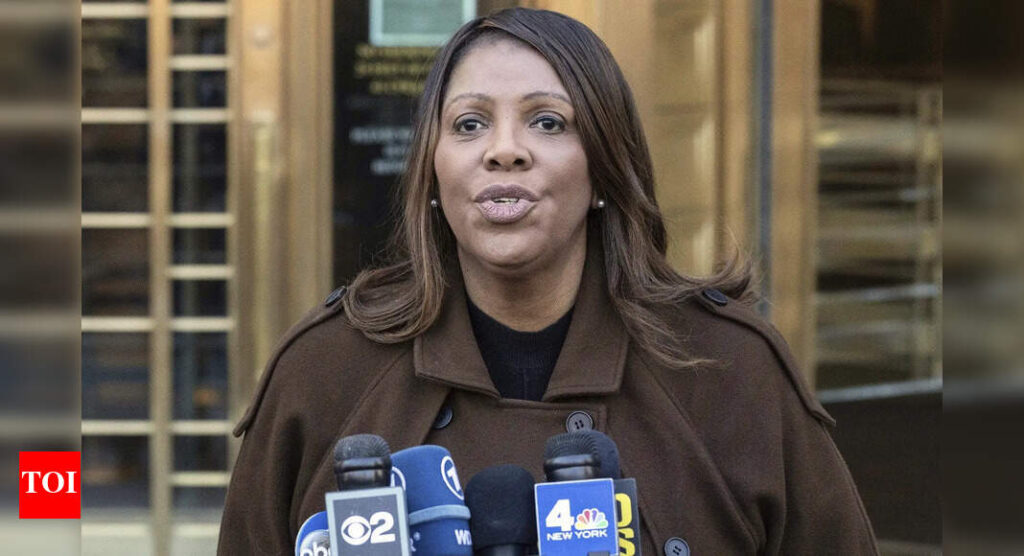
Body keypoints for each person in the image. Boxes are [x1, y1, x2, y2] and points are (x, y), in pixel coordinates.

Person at [218, 8, 878, 555]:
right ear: (433, 172)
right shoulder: (325, 371)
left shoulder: (728, 369)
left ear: (605, 166)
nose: (504, 149)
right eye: (469, 124)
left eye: (548, 121)